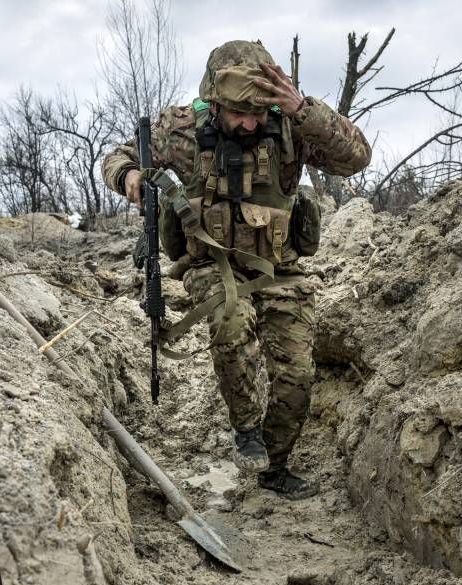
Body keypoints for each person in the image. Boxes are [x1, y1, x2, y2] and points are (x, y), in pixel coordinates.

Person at [102, 40, 371, 500]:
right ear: (215, 102)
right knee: (231, 317)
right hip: (211, 264)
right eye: (238, 113)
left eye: (258, 113)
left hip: (279, 270)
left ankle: (275, 463)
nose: (250, 123)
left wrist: (304, 109)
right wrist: (127, 174)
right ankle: (245, 428)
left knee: (298, 374)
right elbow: (116, 157)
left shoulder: (291, 125)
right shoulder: (181, 131)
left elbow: (356, 157)